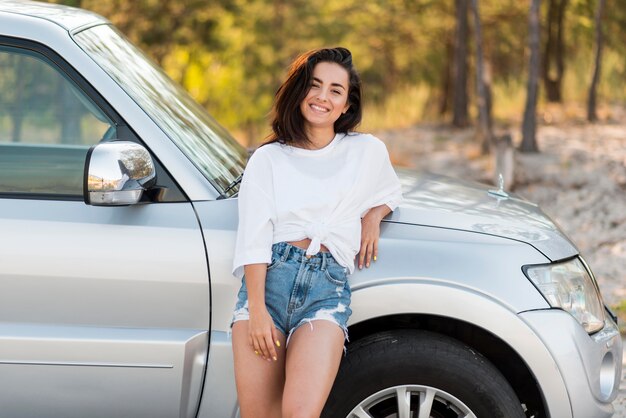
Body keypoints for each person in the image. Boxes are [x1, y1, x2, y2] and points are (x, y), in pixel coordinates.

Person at [231, 47, 403, 418]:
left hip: (325, 291)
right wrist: (257, 311)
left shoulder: (366, 151)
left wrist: (373, 216)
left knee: (300, 414)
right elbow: (254, 238)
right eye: (315, 85)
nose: (323, 97)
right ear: (299, 92)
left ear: (346, 104)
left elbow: (391, 192)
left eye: (335, 90)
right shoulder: (269, 158)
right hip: (269, 285)